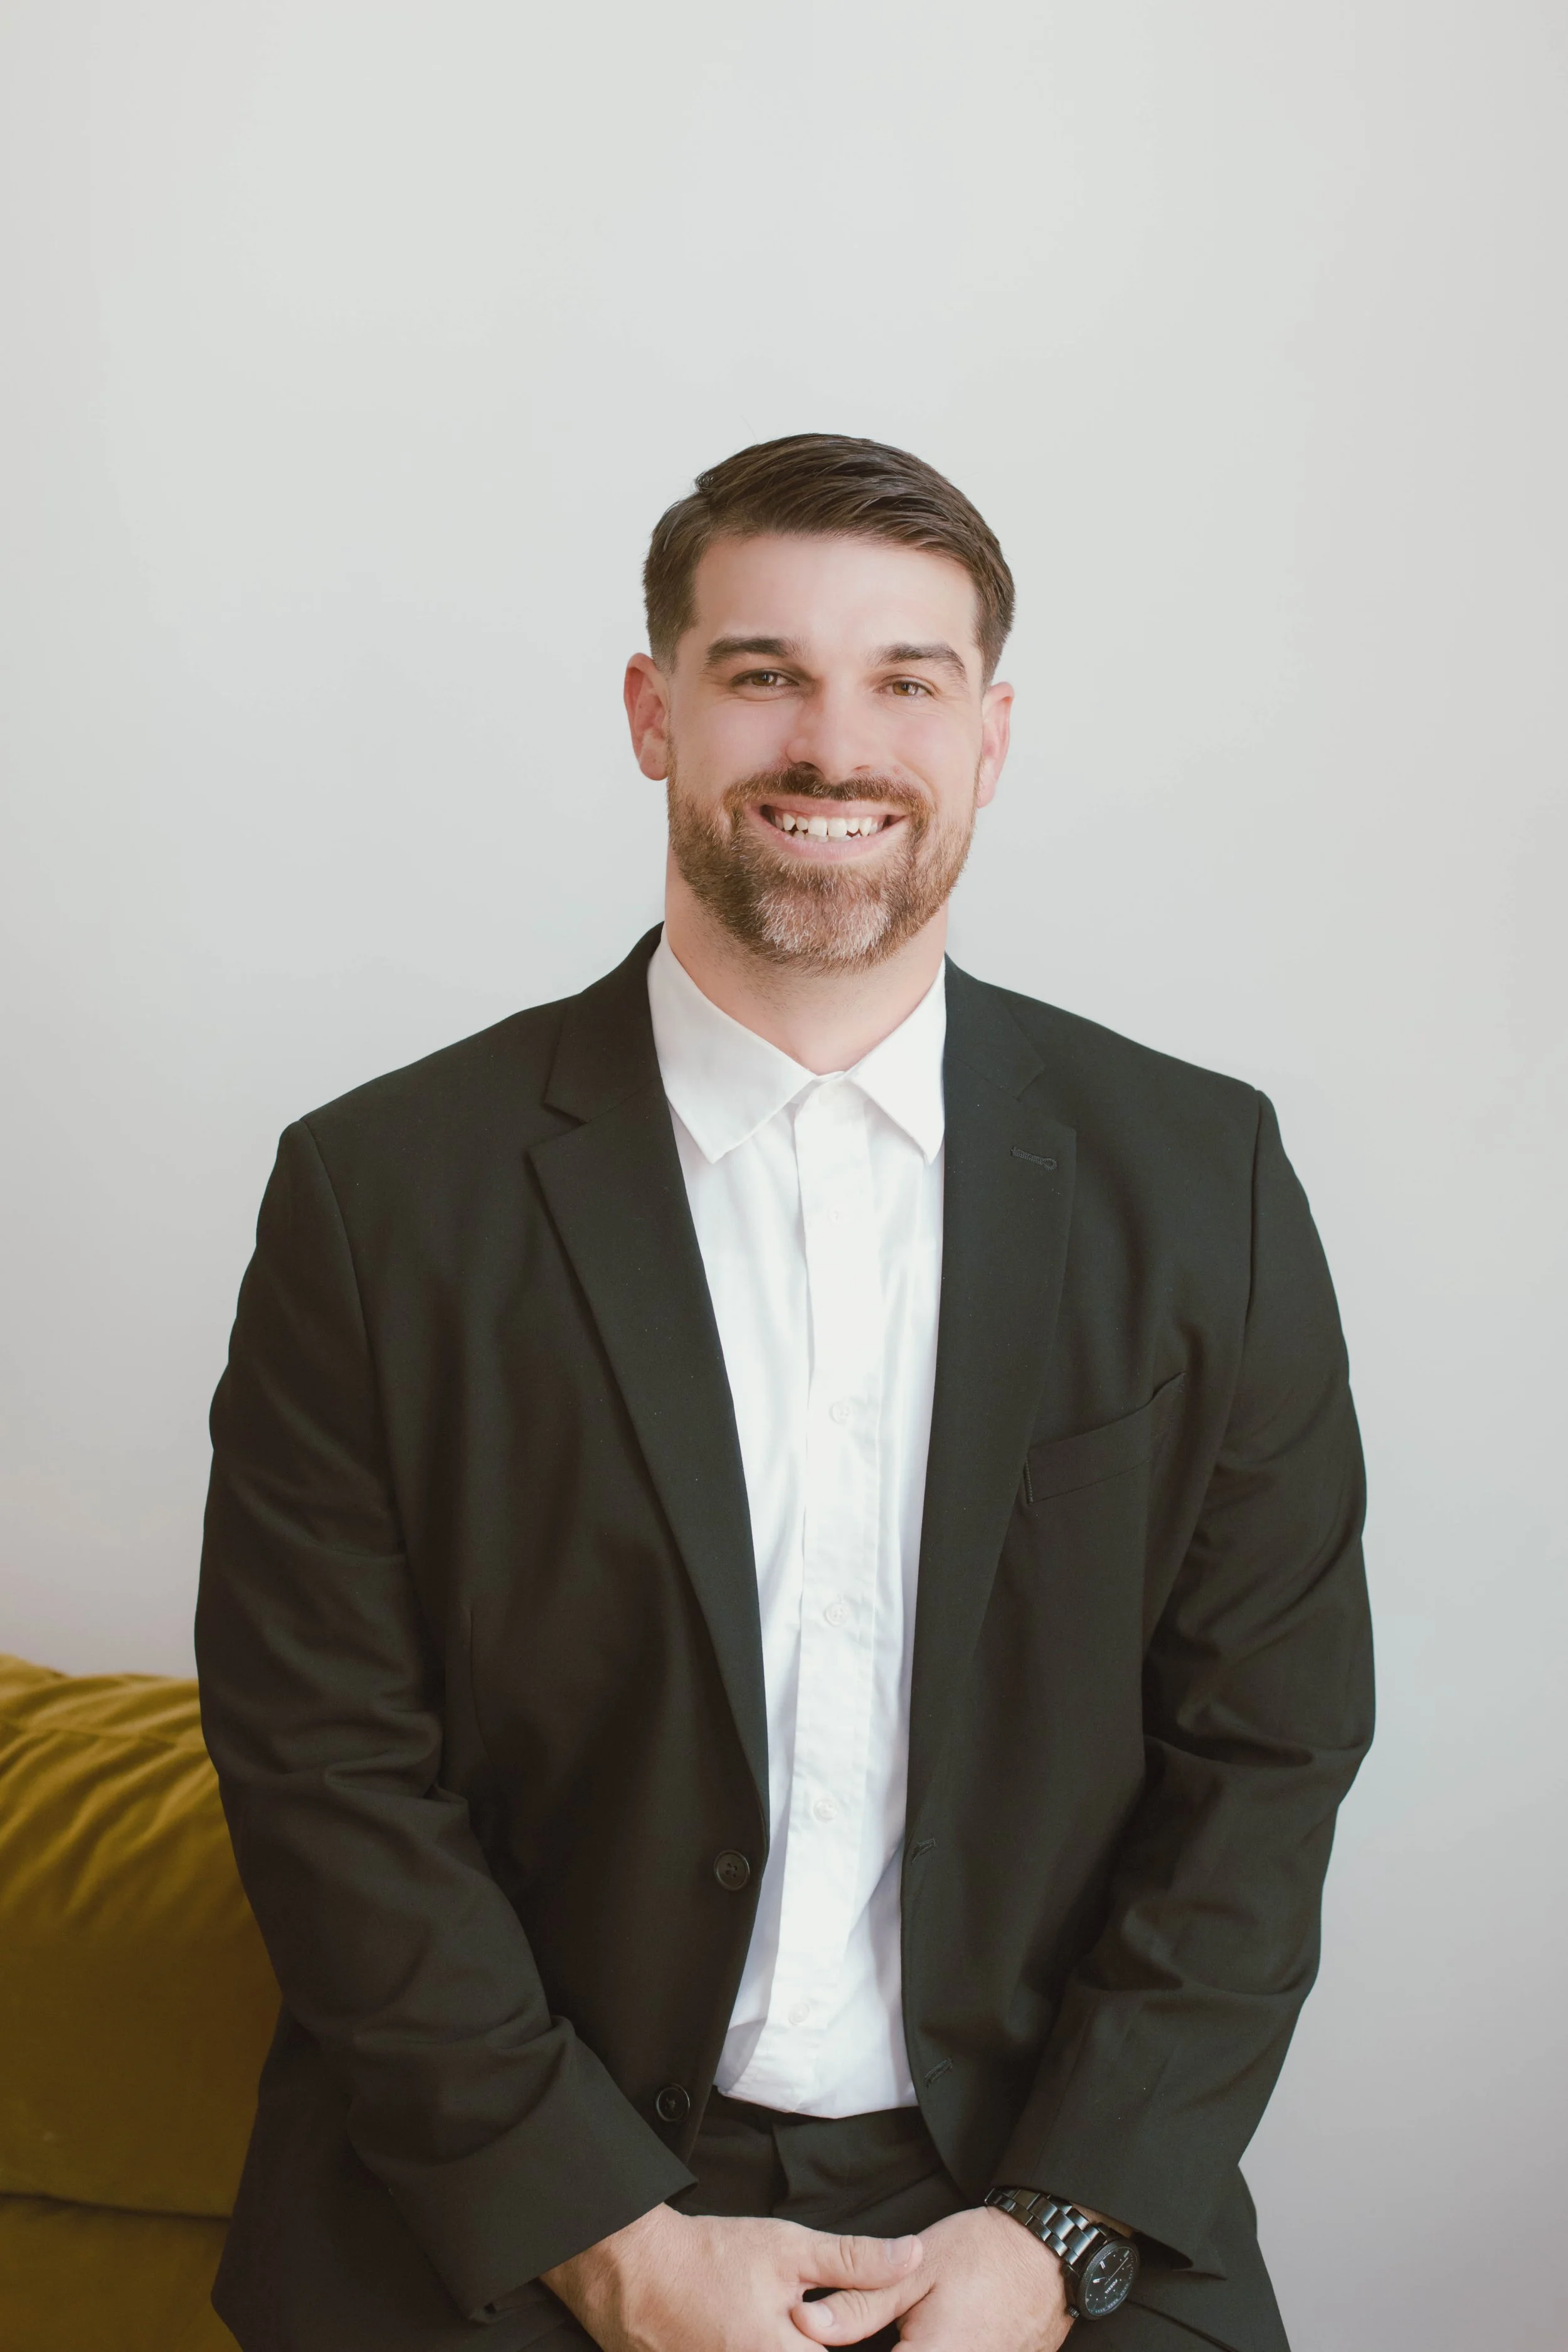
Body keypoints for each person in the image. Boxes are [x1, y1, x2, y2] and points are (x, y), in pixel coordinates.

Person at [196, 433, 1372, 2352]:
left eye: (905, 681)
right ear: (653, 712)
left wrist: (1054, 2234)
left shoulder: (1201, 1181)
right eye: (764, 674)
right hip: (502, 2194)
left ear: (988, 735)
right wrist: (607, 2238)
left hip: (1037, 2183)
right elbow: (321, 1760)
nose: (835, 745)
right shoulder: (377, 1193)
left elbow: (1267, 1753)